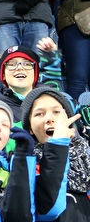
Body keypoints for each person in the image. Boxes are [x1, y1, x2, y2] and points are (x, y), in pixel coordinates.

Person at [19, 87, 90, 220]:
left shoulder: (86, 155)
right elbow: (49, 210)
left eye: (56, 111)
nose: (49, 119)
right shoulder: (25, 163)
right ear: (30, 130)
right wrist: (58, 145)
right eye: (39, 114)